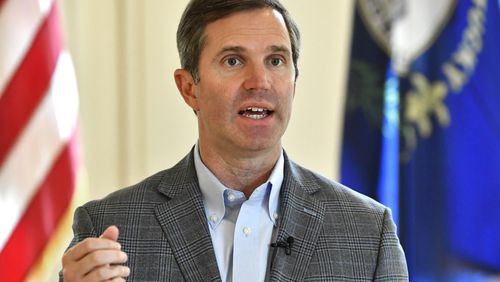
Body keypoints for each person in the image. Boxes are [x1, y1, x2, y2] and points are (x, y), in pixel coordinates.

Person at [61, 0, 409, 281]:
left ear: (294, 83)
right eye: (233, 60)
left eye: (275, 61)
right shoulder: (110, 228)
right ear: (188, 88)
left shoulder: (368, 233)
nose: (260, 81)